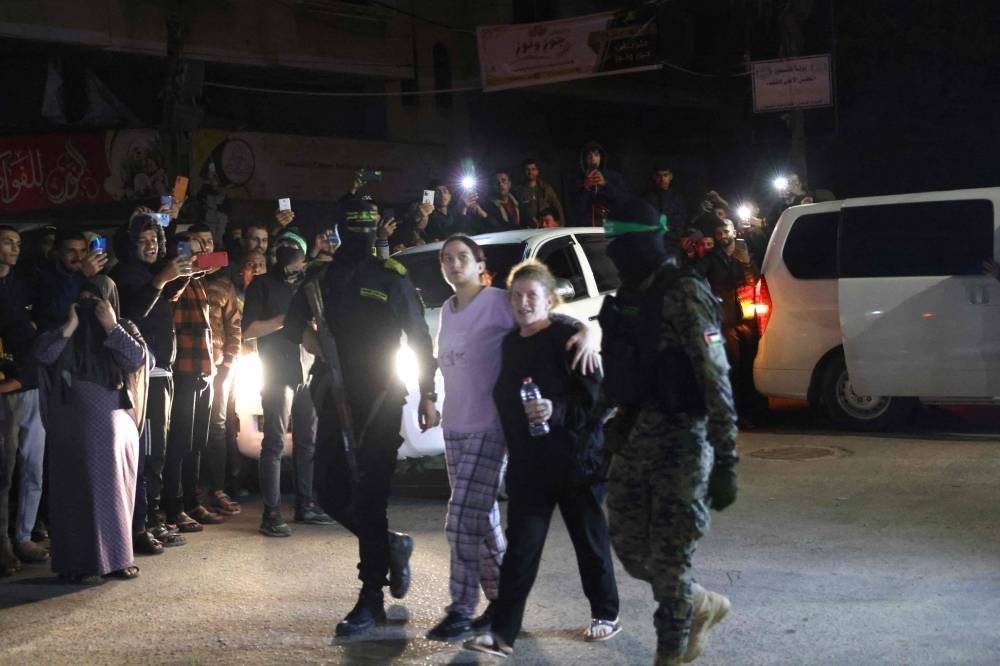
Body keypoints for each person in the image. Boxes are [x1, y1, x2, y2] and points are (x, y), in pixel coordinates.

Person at [426, 236, 598, 641]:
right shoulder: (448, 311)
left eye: (462, 257)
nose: (454, 264)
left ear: (479, 262)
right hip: (456, 426)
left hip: (491, 426)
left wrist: (588, 331)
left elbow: (544, 315)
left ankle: (461, 610)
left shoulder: (498, 301)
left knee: (462, 519)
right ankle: (505, 604)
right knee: (483, 522)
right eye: (447, 259)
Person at [283, 197, 438, 637]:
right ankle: (390, 545)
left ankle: (371, 597)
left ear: (376, 231)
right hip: (333, 394)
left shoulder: (391, 276)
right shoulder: (321, 278)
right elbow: (292, 330)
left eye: (367, 228)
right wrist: (313, 344)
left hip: (382, 396)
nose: (361, 236)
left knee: (370, 496)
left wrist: (427, 393)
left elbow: (419, 336)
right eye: (355, 228)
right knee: (329, 491)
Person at [599, 198, 739, 666]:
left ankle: (670, 654)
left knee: (672, 562)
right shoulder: (630, 295)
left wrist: (726, 460)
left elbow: (715, 377)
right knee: (634, 552)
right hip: (637, 439)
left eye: (618, 245)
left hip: (684, 443)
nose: (613, 255)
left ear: (641, 243)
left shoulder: (685, 292)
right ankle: (701, 604)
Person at [464, 260, 620, 658]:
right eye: (516, 296)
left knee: (589, 541)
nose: (522, 303)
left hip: (577, 462)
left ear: (550, 300)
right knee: (521, 549)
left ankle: (606, 613)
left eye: (532, 295)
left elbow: (597, 399)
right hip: (530, 466)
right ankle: (503, 634)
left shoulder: (569, 336)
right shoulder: (511, 343)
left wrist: (556, 410)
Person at [34, 276, 148, 583]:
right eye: (82, 297)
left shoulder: (124, 326)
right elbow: (43, 356)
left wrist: (111, 326)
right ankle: (77, 563)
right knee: (73, 491)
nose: (88, 304)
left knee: (114, 491)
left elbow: (138, 359)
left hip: (115, 420)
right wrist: (69, 326)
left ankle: (117, 559)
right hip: (70, 421)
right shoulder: (66, 328)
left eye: (95, 298)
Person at [243, 241, 333, 537]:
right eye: (291, 261)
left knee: (308, 442)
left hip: (305, 370)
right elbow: (248, 330)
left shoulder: (307, 286)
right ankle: (271, 513)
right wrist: (285, 320)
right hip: (277, 371)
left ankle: (305, 505)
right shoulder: (262, 285)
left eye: (299, 261)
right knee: (274, 443)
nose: (295, 267)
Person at [111, 211, 190, 549]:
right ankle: (138, 524)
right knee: (146, 454)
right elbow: (131, 313)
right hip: (142, 375)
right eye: (143, 241)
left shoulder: (148, 274)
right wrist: (161, 280)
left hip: (163, 372)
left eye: (155, 241)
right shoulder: (124, 275)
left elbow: (159, 302)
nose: (151, 246)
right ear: (130, 245)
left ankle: (152, 518)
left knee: (158, 454)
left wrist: (179, 277)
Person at [0, 226, 49, 571]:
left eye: (18, 243)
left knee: (32, 467)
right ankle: (3, 544)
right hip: (5, 388)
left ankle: (24, 536)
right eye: (7, 242)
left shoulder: (24, 284)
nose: (14, 248)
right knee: (4, 474)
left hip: (30, 384)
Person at [189, 225, 243, 517]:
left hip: (220, 365)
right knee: (190, 427)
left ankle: (217, 488)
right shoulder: (181, 281)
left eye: (209, 242)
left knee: (218, 427)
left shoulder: (223, 284)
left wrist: (230, 360)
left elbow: (234, 324)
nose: (205, 247)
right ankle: (195, 490)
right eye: (199, 242)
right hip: (187, 365)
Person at [567, 140, 629, 227]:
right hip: (585, 229)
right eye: (589, 155)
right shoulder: (576, 180)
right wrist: (585, 187)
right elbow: (574, 210)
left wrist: (605, 184)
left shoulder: (614, 177)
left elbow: (624, 201)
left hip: (611, 226)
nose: (592, 158)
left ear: (601, 158)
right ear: (584, 159)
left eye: (596, 155)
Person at [514, 158, 564, 228]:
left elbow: (557, 206)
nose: (530, 172)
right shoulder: (518, 190)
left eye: (533, 169)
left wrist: (561, 224)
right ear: (523, 171)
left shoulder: (546, 188)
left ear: (537, 171)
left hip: (545, 226)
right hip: (528, 228)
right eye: (527, 169)